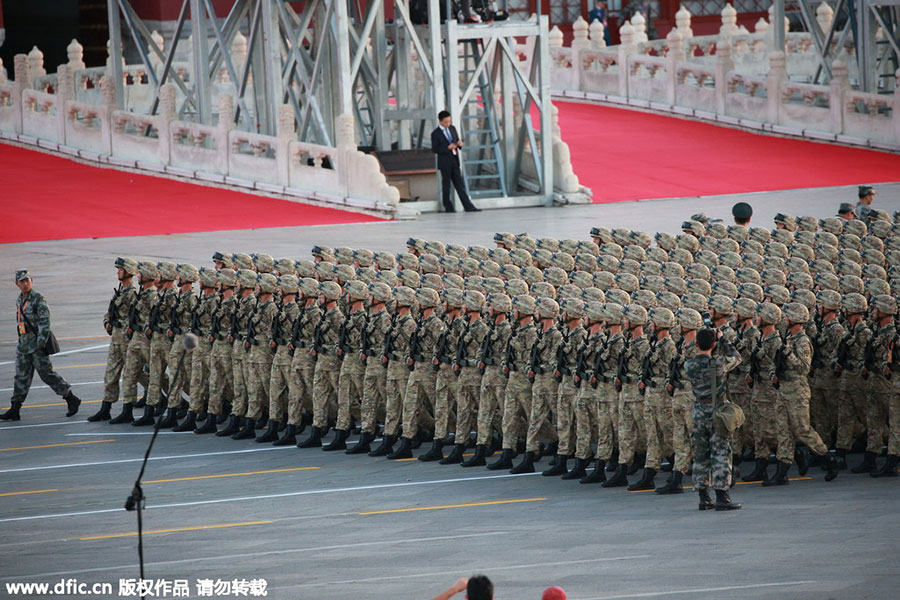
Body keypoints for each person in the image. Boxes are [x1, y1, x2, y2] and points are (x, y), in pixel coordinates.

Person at [1, 270, 81, 421]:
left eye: (27, 280)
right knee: (21, 377)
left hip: (36, 345)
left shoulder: (38, 298)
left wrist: (41, 343)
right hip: (24, 345)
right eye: (22, 281)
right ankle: (15, 408)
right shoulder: (20, 299)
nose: (25, 284)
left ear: (32, 281)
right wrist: (20, 341)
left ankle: (71, 398)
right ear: (17, 284)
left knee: (47, 374)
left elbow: (45, 321)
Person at [683, 328, 742, 510]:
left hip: (699, 411)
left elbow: (690, 355)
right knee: (720, 453)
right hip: (717, 411)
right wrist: (724, 341)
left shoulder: (689, 365)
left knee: (700, 455)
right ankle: (722, 496)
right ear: (714, 344)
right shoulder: (718, 363)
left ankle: (703, 497)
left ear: (696, 344)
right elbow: (736, 358)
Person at [431, 110, 480, 213]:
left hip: (454, 160)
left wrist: (460, 144)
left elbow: (456, 140)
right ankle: (448, 207)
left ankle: (468, 206)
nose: (448, 124)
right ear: (440, 121)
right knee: (446, 185)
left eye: (449, 121)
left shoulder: (452, 128)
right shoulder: (435, 134)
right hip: (445, 162)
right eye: (446, 122)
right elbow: (435, 149)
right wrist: (447, 148)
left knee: (460, 185)